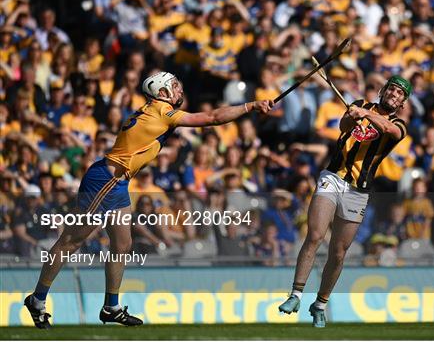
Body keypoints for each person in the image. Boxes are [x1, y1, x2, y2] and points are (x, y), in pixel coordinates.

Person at [25, 71, 273, 328]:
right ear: (161, 93)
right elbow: (211, 118)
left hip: (118, 183)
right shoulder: (162, 112)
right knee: (71, 241)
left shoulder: (155, 110)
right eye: (173, 87)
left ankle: (111, 306)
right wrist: (250, 105)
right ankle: (38, 299)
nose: (179, 91)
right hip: (105, 181)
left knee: (122, 244)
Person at [278, 75, 410, 327]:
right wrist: (353, 114)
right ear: (383, 91)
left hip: (358, 190)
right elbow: (343, 127)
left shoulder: (399, 125)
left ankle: (320, 304)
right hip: (333, 177)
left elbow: (389, 130)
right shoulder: (361, 104)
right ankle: (295, 294)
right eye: (391, 89)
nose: (394, 94)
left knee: (338, 252)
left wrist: (365, 114)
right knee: (315, 235)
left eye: (399, 94)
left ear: (402, 103)